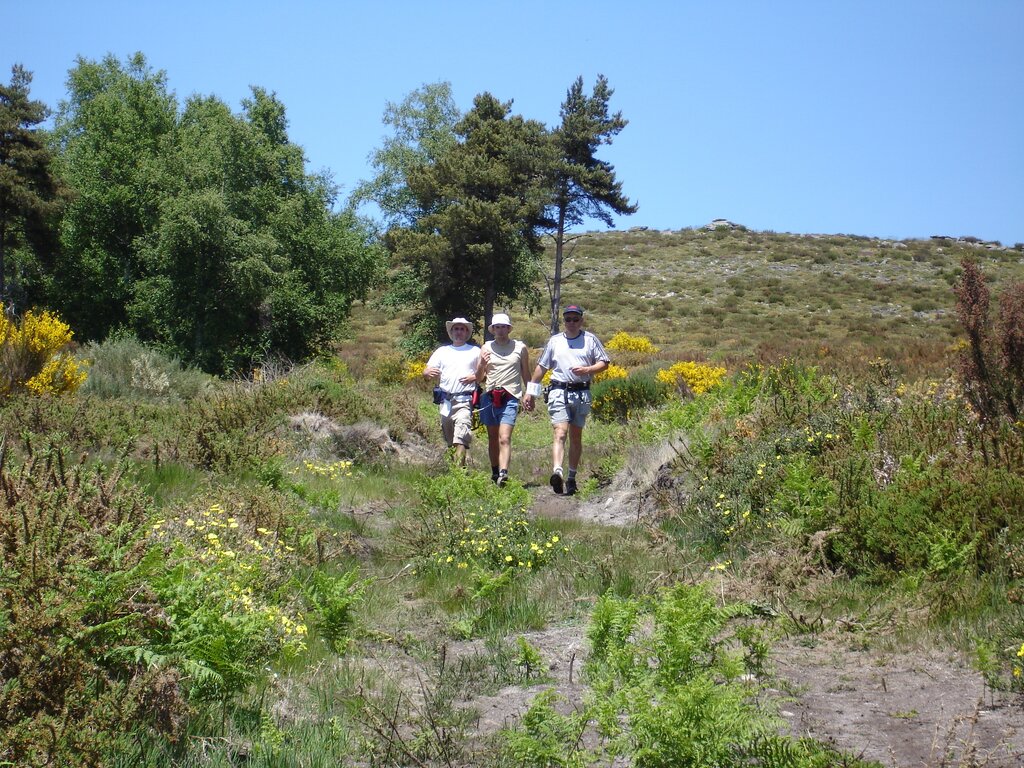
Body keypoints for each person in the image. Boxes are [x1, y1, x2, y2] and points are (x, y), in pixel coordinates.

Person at [523, 305, 610, 495]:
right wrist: (530, 392)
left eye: (575, 319)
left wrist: (588, 370)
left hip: (581, 393)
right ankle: (557, 471)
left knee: (576, 436)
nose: (571, 323)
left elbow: (604, 362)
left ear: (581, 320)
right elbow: (541, 368)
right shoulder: (555, 341)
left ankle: (571, 477)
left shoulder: (590, 339)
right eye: (568, 319)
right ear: (564, 321)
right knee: (560, 432)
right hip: (558, 391)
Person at [476, 313, 530, 487]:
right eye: (496, 327)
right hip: (490, 397)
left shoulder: (520, 347)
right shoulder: (485, 348)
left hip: (511, 397)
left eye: (503, 327)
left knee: (504, 437)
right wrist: (482, 365)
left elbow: (526, 373)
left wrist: (530, 394)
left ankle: (503, 473)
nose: (500, 330)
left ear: (509, 328)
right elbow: (479, 378)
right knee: (492, 438)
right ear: (493, 330)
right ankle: (494, 472)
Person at [423, 317, 480, 467]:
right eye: (456, 329)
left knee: (461, 436)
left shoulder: (475, 351)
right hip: (446, 401)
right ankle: (459, 468)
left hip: (465, 400)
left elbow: (486, 373)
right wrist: (427, 373)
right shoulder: (442, 351)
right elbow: (427, 370)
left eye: (462, 329)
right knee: (450, 440)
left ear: (467, 332)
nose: (459, 332)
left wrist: (474, 377)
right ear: (451, 331)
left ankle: (458, 473)